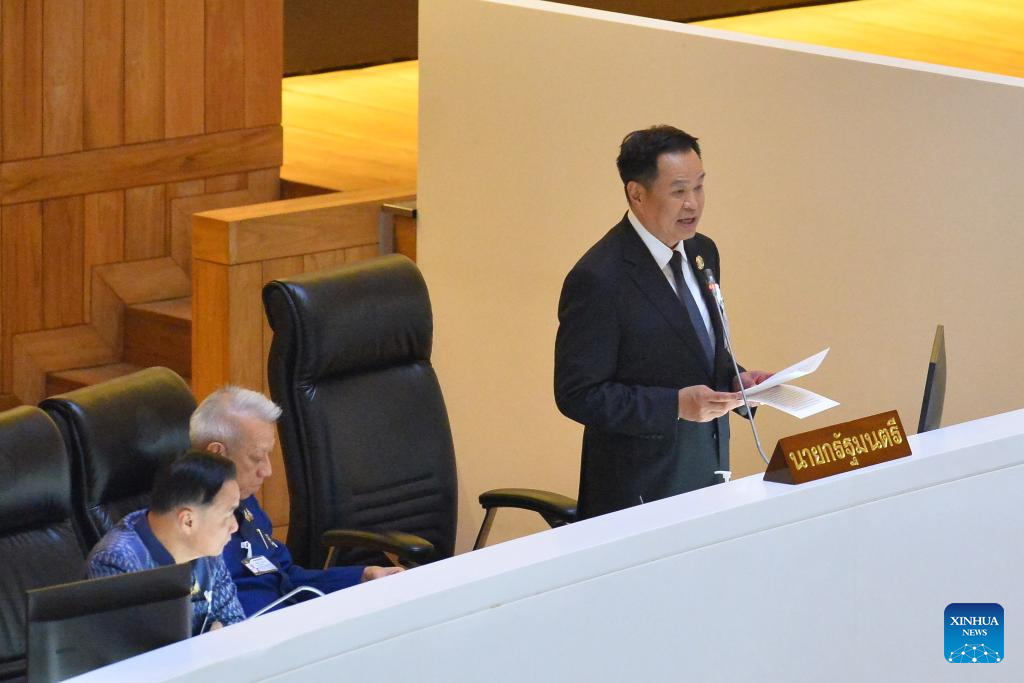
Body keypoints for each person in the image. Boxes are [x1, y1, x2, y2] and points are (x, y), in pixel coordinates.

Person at [554, 125, 772, 520]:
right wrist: (674, 405)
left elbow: (697, 346)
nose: (693, 204)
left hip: (707, 473)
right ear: (637, 194)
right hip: (639, 492)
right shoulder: (600, 278)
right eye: (678, 191)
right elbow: (578, 394)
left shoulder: (703, 252)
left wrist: (737, 381)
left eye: (699, 187)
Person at [189, 386, 403, 617]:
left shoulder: (245, 503)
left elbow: (286, 577)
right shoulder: (186, 529)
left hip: (296, 622)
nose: (267, 471)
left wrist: (362, 577)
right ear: (217, 454)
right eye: (257, 458)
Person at [87, 450, 245, 635]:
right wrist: (209, 641)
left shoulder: (206, 549)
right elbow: (131, 648)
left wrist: (219, 637)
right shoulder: (116, 563)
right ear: (188, 521)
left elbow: (235, 622)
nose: (235, 526)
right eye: (228, 513)